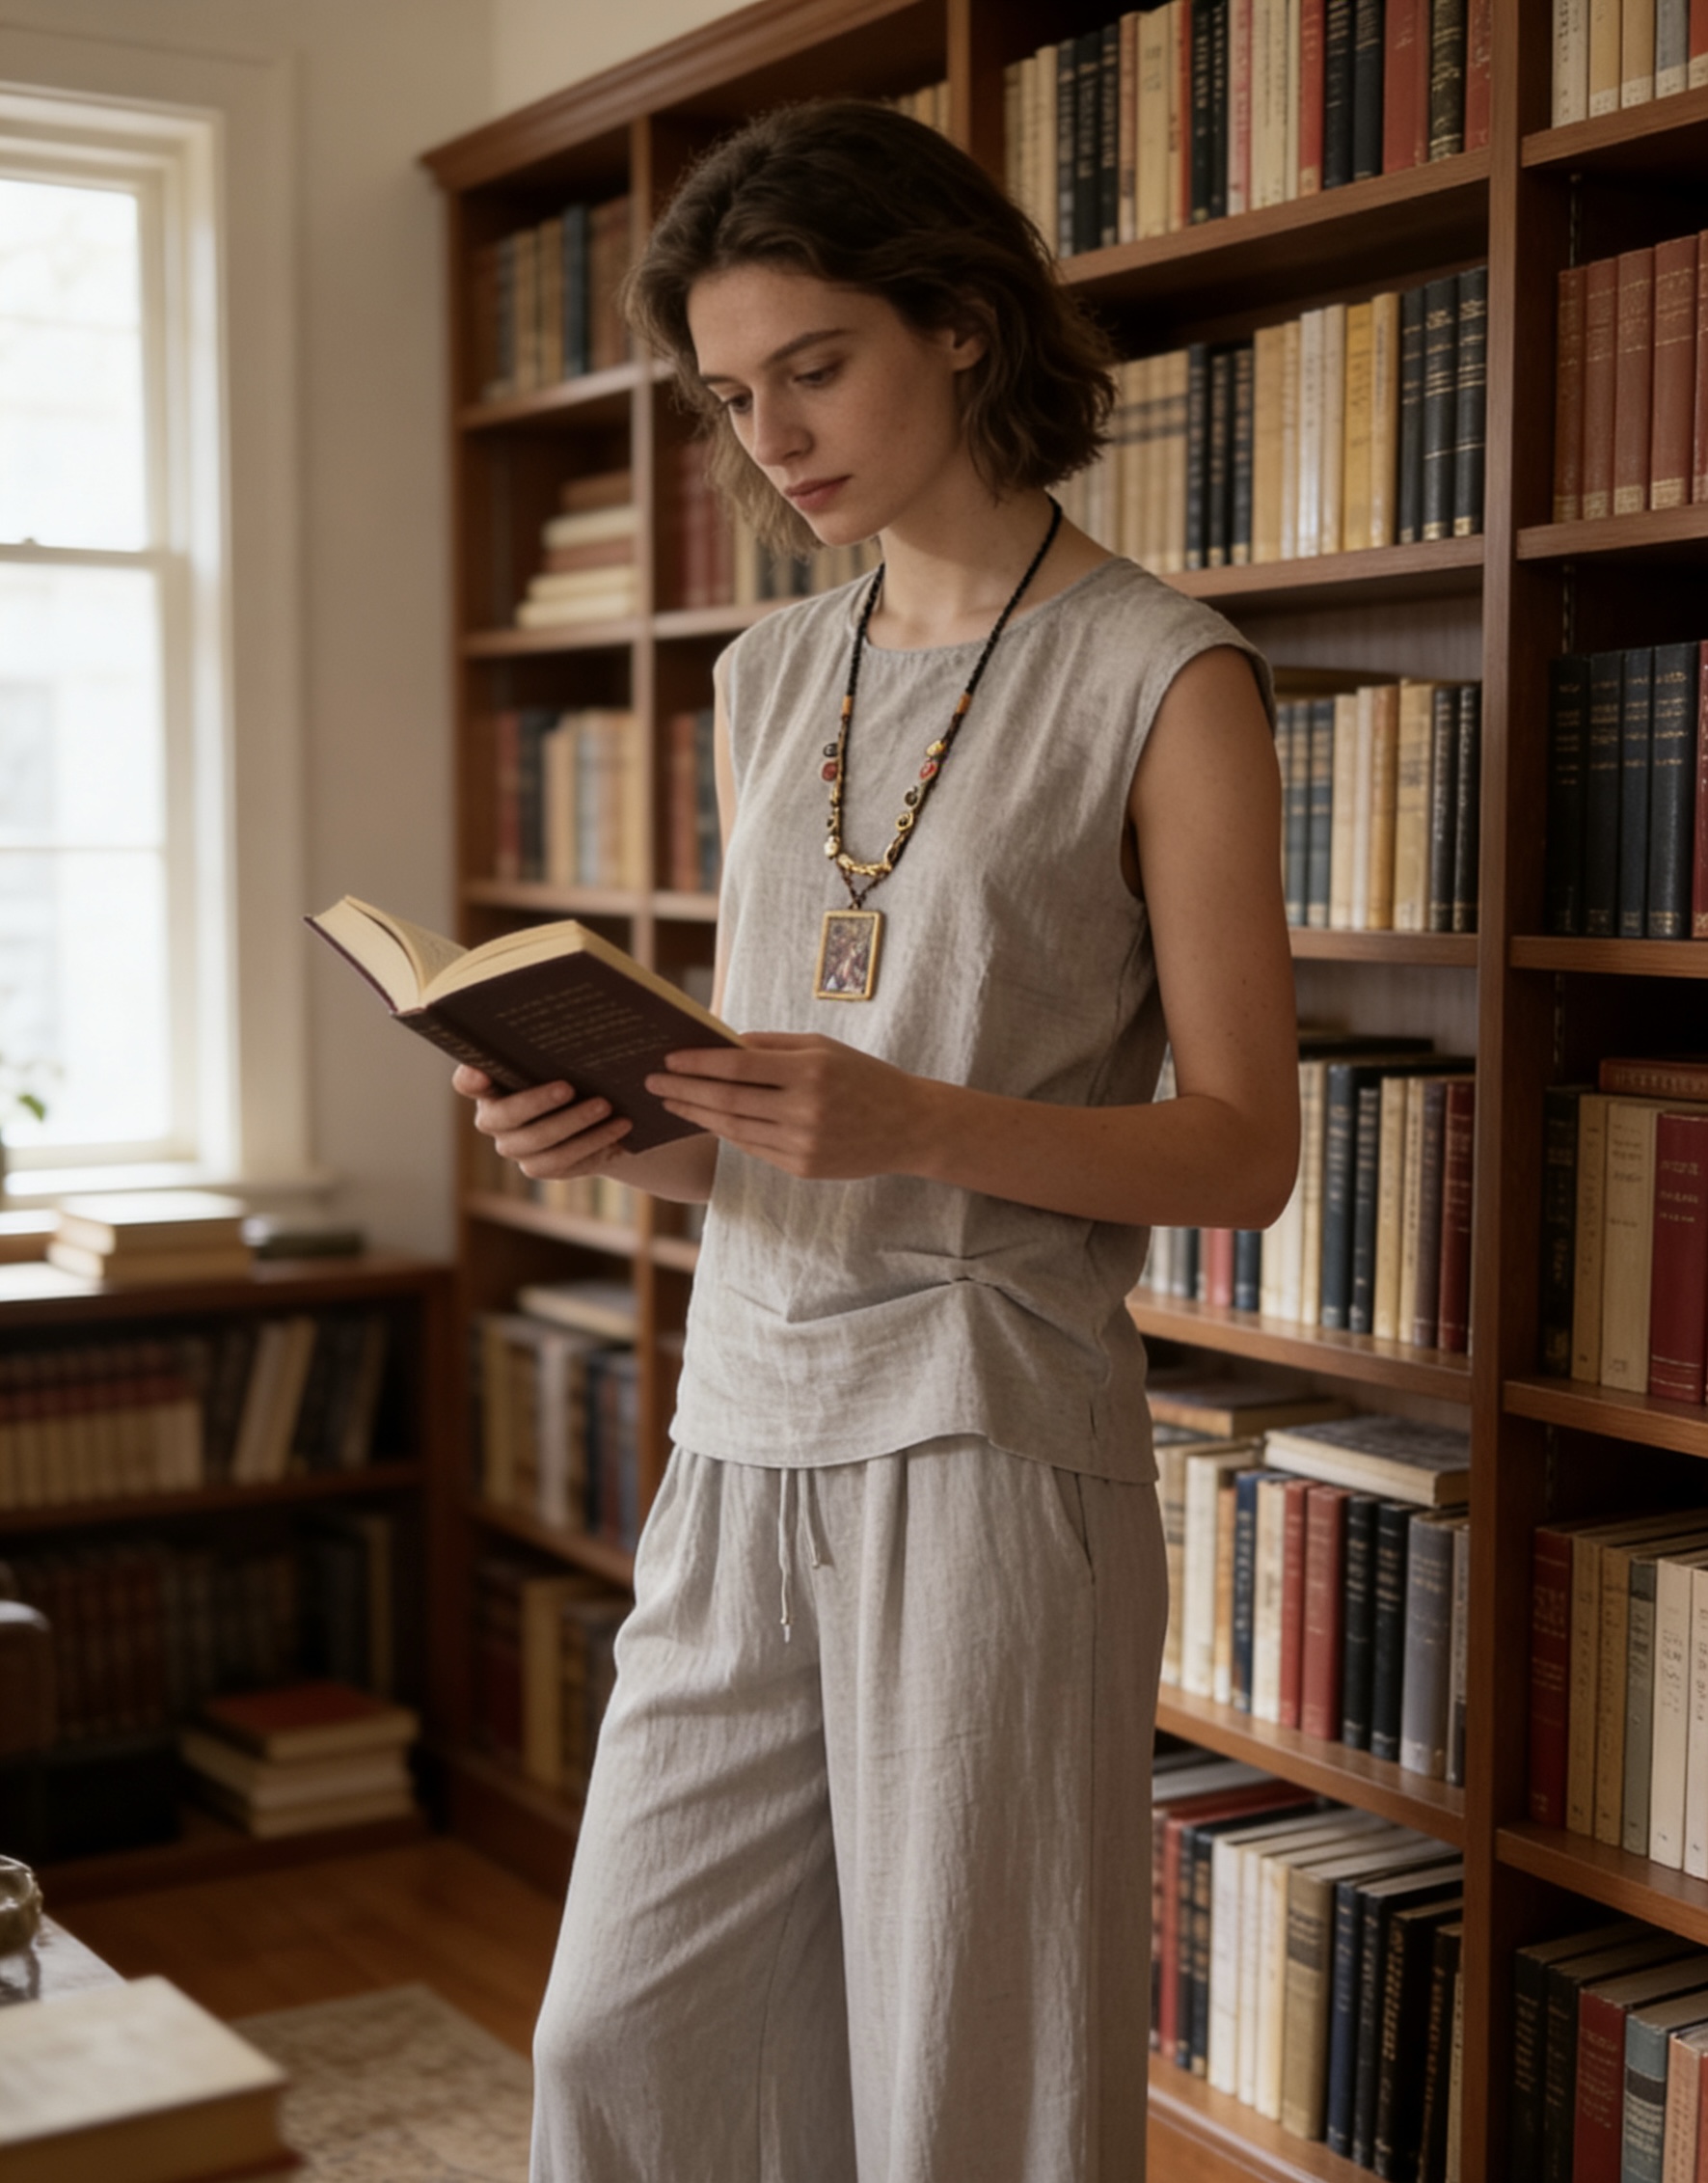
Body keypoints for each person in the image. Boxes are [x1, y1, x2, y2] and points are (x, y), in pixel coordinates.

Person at [454, 97, 1298, 2183]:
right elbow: (782, 1142)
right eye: (735, 397)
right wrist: (621, 1132)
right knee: (623, 2053)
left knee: (966, 2097)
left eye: (812, 369)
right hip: (738, 1426)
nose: (773, 438)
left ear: (962, 327)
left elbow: (1241, 1152)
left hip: (987, 1437)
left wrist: (909, 1116)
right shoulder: (764, 673)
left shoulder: (1159, 677)